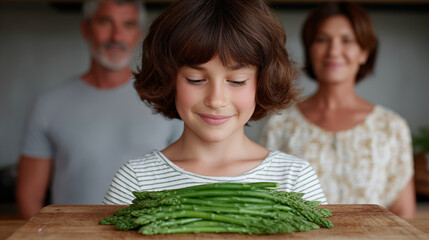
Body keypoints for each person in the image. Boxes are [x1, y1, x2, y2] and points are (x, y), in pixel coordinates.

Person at [103, 0, 327, 205]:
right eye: (196, 80)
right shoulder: (135, 181)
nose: (216, 100)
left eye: (237, 81)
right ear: (168, 80)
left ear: (262, 83)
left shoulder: (294, 178)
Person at [16, 0, 183, 219]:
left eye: (128, 24)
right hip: (71, 235)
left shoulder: (167, 102)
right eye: (105, 22)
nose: (116, 36)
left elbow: (187, 183)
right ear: (86, 29)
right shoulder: (48, 104)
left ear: (138, 34)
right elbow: (29, 196)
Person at [260, 2, 415, 219]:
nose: (333, 51)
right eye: (322, 40)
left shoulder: (391, 127)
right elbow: (268, 203)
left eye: (347, 40)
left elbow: (403, 213)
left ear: (364, 53)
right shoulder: (281, 123)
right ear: (310, 50)